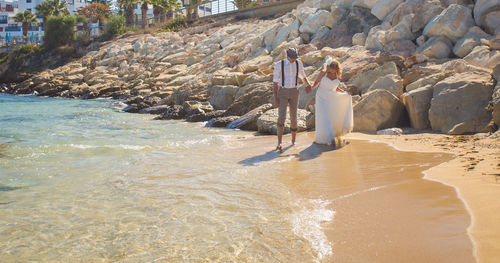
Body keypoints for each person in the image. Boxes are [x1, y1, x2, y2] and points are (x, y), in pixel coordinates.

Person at [273, 48, 312, 152]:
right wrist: (276, 98)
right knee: (281, 117)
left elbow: (303, 76)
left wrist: (308, 85)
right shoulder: (279, 65)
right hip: (283, 92)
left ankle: (293, 141)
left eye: (295, 58)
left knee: (294, 117)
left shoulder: (298, 63)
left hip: (294, 92)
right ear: (287, 57)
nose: (294, 60)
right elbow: (275, 82)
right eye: (292, 58)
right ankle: (279, 142)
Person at [309, 58, 353, 146]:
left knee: (333, 117)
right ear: (328, 67)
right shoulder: (323, 73)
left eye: (333, 70)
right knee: (324, 118)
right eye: (330, 70)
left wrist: (344, 92)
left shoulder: (337, 75)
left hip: (332, 98)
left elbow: (335, 87)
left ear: (337, 69)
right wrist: (309, 88)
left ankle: (333, 136)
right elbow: (316, 83)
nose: (331, 72)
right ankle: (325, 139)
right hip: (322, 97)